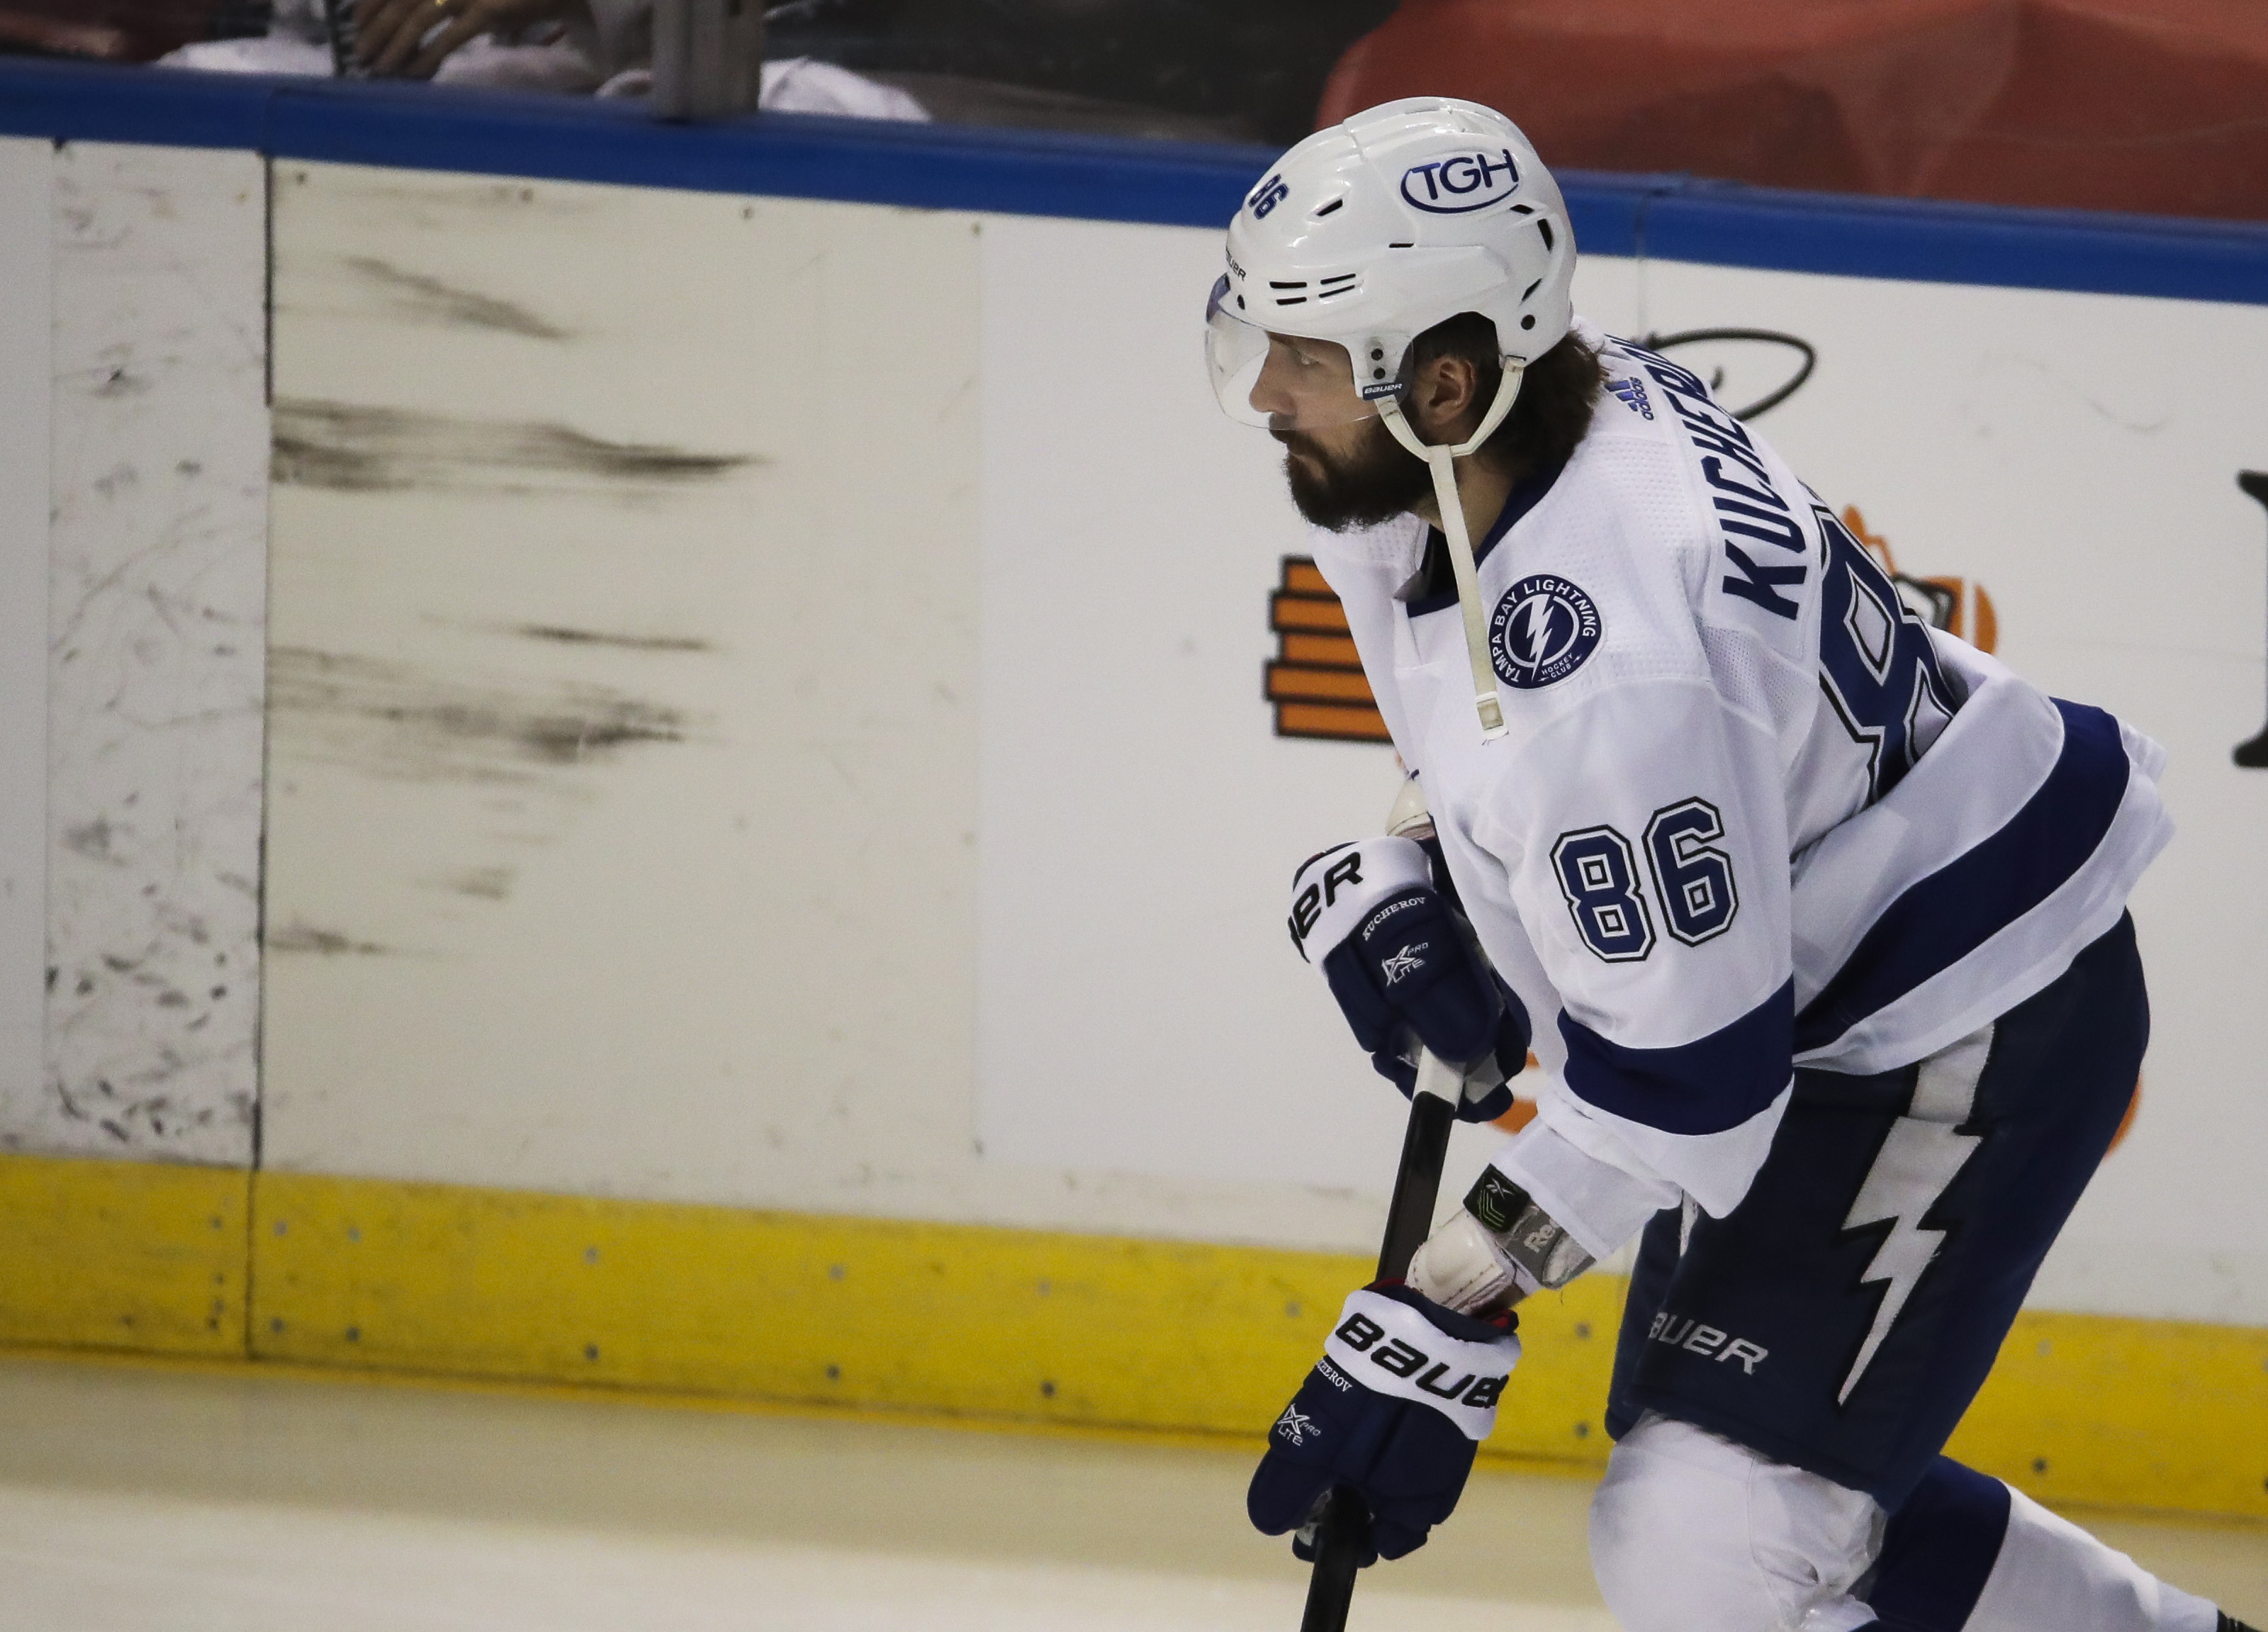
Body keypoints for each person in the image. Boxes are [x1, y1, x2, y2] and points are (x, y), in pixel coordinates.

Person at [1216, 96, 2254, 1632]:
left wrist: (1452, 1300)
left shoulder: (1607, 670)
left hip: (1959, 1026)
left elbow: (1688, 1088)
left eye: (1304, 353)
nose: (1263, 390)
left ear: (1442, 378)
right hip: (1833, 974)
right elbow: (1532, 748)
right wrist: (1418, 866)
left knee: (1711, 1538)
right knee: (1754, 1484)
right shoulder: (1533, 426)